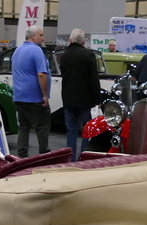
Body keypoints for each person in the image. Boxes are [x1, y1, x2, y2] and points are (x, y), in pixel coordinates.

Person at [60, 29, 99, 161]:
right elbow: (94, 79)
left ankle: (71, 159)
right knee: (87, 130)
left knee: (71, 131)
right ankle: (84, 157)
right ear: (84, 41)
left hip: (68, 99)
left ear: (70, 40)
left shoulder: (64, 56)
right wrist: (97, 99)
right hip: (85, 100)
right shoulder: (88, 55)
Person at [11, 25, 50, 158]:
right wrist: (44, 95)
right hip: (33, 97)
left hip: (19, 96)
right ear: (33, 36)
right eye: (41, 35)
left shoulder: (17, 51)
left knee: (24, 127)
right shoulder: (36, 51)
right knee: (42, 127)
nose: (43, 38)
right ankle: (44, 155)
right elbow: (41, 75)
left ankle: (22, 155)